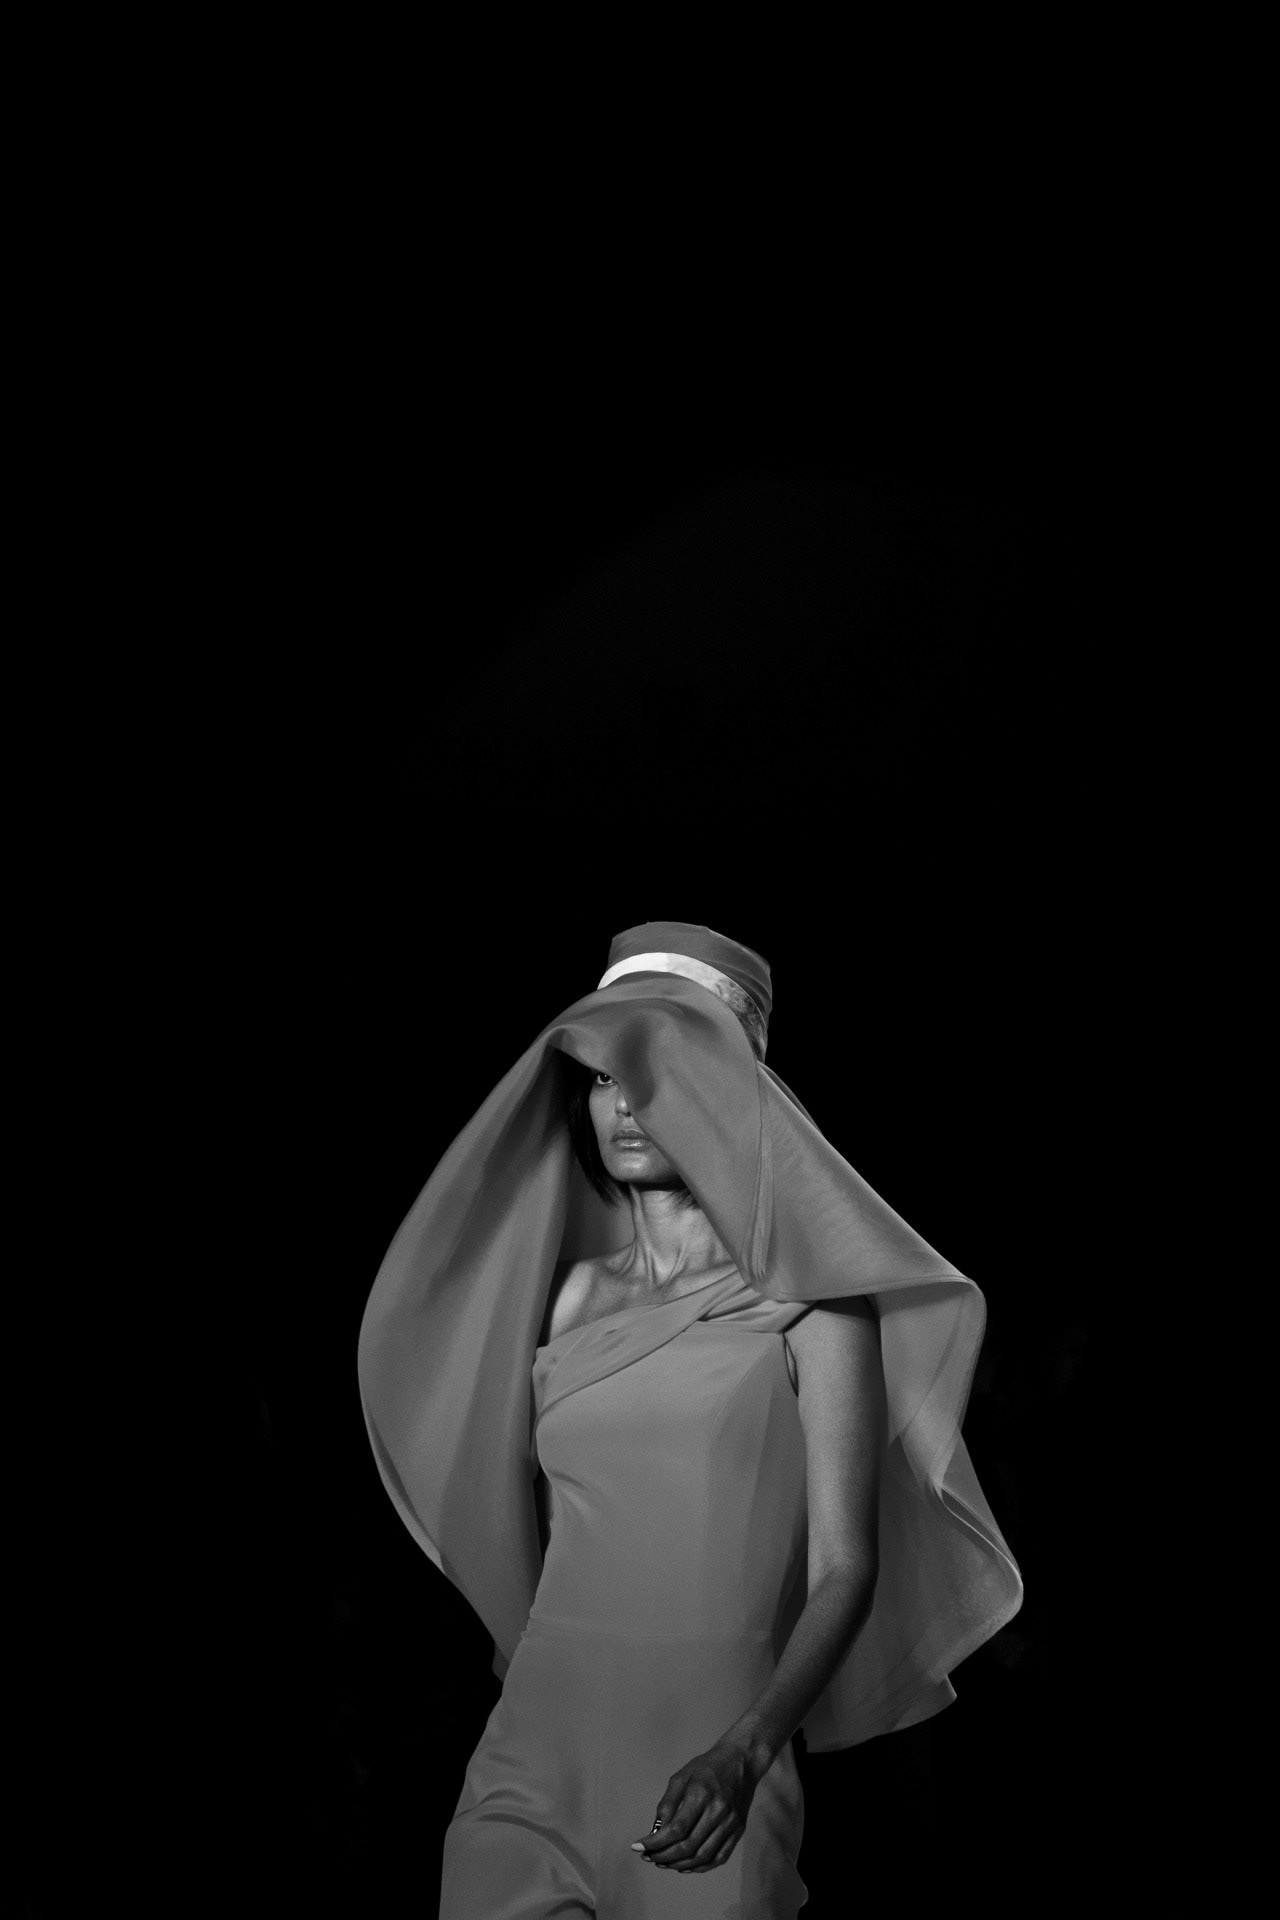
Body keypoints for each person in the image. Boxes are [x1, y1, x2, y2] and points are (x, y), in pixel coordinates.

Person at [358, 922, 1023, 1917]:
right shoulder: (566, 1298)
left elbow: (845, 1568)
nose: (623, 1104)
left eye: (655, 1073)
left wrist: (746, 1753)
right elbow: (551, 1538)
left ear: (725, 1093)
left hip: (711, 1778)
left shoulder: (818, 1308)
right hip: (529, 1760)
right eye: (600, 1077)